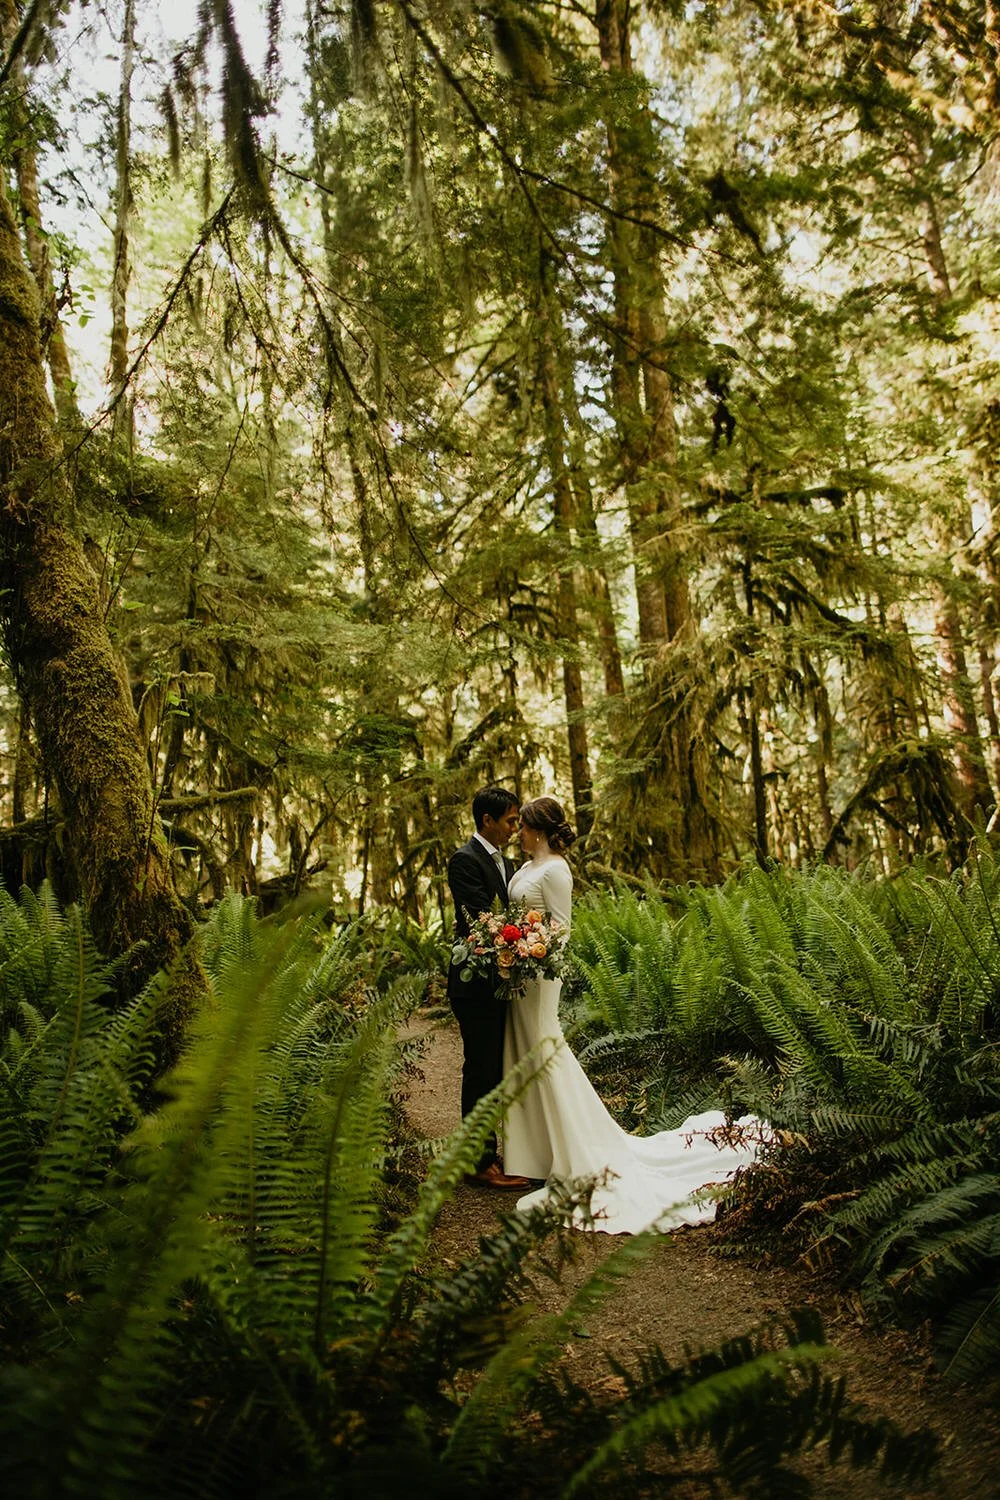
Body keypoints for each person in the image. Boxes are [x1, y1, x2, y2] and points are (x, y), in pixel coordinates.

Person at [503, 795, 762, 1234]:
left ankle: (574, 1154)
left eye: (524, 827)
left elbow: (562, 929)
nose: (519, 834)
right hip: (520, 975)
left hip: (542, 975)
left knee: (546, 1055)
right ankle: (539, 1154)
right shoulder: (525, 869)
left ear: (541, 830)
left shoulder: (556, 870)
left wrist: (534, 953)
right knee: (525, 1056)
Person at [447, 785, 531, 1190]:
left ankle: (493, 1152)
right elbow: (481, 920)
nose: (516, 827)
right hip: (474, 984)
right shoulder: (464, 861)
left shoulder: (508, 863)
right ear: (487, 820)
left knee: (495, 1070)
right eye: (511, 820)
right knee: (480, 1070)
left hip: (500, 982)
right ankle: (477, 1161)